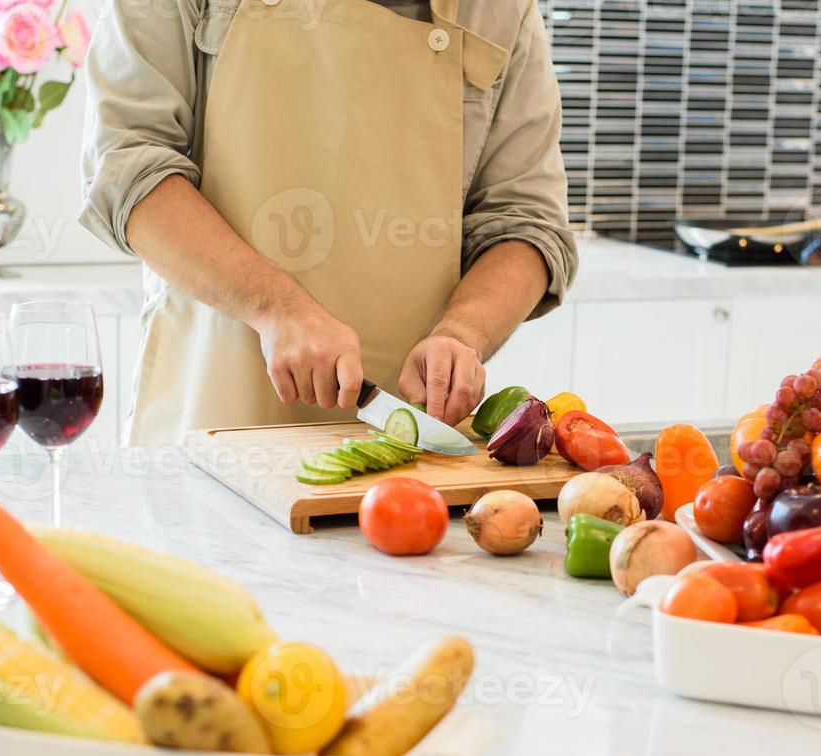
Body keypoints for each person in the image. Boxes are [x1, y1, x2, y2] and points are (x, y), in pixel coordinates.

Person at [80, 0, 577, 446]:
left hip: (407, 435)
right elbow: (128, 169)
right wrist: (276, 307)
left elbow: (527, 222)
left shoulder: (503, 12)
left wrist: (463, 333)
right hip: (215, 402)